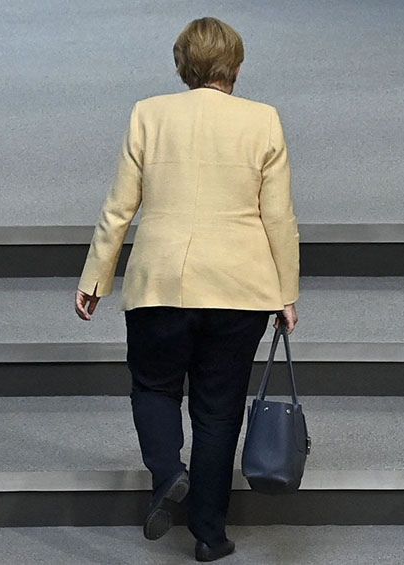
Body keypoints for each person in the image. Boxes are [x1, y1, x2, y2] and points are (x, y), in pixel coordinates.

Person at [73, 16, 300, 563]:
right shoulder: (263, 120)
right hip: (239, 289)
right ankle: (209, 534)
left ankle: (168, 471)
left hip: (160, 283)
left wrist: (96, 278)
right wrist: (286, 292)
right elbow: (279, 217)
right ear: (236, 66)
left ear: (182, 66)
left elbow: (119, 208)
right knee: (218, 411)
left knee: (153, 387)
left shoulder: (148, 115)